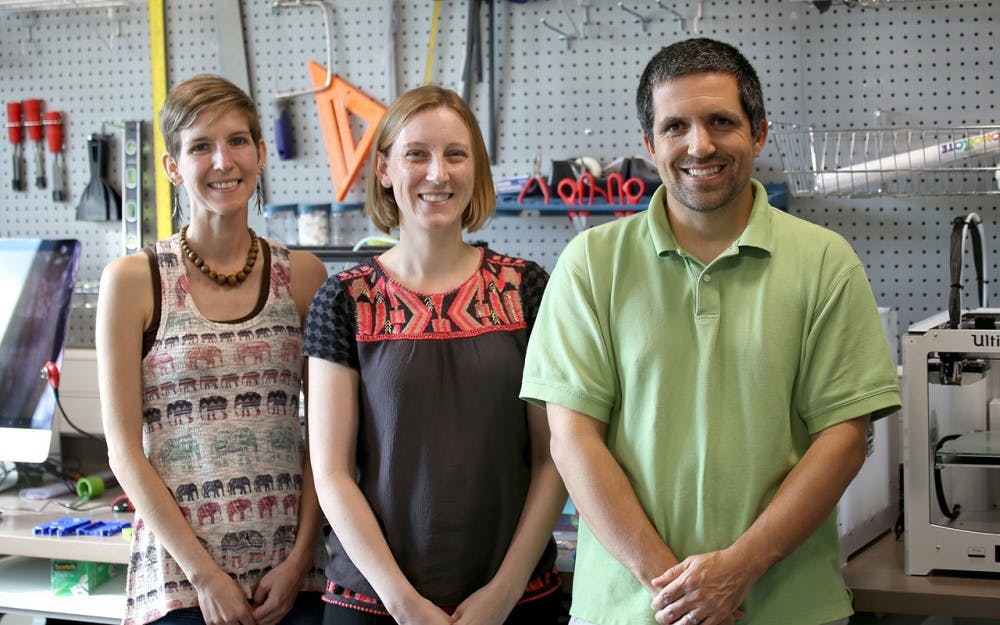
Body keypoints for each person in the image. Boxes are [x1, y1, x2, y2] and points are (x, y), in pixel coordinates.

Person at [520, 38, 902, 625]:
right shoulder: (590, 264)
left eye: (721, 121)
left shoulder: (826, 262)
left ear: (759, 134)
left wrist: (737, 572)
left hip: (788, 610)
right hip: (628, 612)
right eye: (676, 126)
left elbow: (844, 440)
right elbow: (572, 441)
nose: (700, 145)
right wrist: (682, 593)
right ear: (650, 146)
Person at [303, 84, 567, 625]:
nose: (437, 174)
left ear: (476, 170)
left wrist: (503, 592)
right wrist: (402, 604)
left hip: (517, 601)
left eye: (455, 154)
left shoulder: (528, 289)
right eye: (416, 154)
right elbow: (330, 472)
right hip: (372, 604)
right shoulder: (343, 300)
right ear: (383, 169)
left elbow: (553, 458)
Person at [96, 74, 329, 625]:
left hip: (293, 583)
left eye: (238, 141)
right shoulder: (134, 281)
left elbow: (325, 441)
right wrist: (206, 577)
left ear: (261, 153)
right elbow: (124, 454)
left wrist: (299, 561)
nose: (223, 161)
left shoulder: (303, 278)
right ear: (173, 166)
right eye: (201, 146)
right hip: (181, 588)